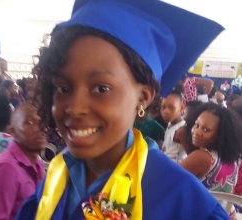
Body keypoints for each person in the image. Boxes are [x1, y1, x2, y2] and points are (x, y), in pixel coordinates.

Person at [16, 0, 227, 219]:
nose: (75, 108)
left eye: (101, 88)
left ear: (143, 97)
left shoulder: (182, 199)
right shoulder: (58, 173)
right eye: (63, 87)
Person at [0, 103, 46, 220]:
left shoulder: (37, 163)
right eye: (29, 122)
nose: (39, 129)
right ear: (13, 131)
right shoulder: (6, 168)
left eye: (42, 121)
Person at [181, 102, 242, 218]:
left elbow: (169, 178)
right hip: (227, 214)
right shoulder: (233, 159)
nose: (196, 131)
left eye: (206, 130)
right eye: (196, 125)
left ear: (220, 135)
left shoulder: (202, 157)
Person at [161, 90, 186, 163]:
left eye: (171, 108)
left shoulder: (181, 130)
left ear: (181, 108)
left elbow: (191, 155)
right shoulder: (170, 124)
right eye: (163, 107)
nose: (166, 111)